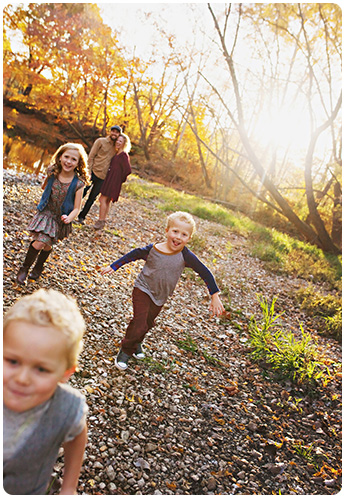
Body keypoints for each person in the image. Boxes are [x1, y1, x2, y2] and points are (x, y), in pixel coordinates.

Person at [100, 211, 225, 370]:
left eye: (184, 234)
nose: (178, 237)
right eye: (175, 231)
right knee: (139, 323)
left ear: (189, 239)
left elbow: (204, 271)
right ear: (167, 231)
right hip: (143, 288)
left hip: (161, 295)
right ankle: (125, 350)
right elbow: (134, 254)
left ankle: (137, 342)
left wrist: (214, 294)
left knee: (148, 323)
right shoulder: (153, 249)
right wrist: (114, 266)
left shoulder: (186, 256)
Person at [3, 288, 88, 495]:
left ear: (66, 373)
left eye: (41, 369)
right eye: (12, 361)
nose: (22, 379)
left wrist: (69, 486)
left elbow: (77, 434)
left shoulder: (67, 408)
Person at [16, 142, 89, 285]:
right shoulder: (53, 172)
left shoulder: (78, 184)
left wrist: (69, 218)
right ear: (60, 156)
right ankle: (24, 269)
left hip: (61, 218)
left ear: (79, 162)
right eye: (66, 157)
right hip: (47, 212)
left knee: (48, 244)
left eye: (73, 159)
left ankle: (39, 266)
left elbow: (77, 208)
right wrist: (48, 178)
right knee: (40, 241)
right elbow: (45, 188)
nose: (69, 161)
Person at [78, 125, 122, 224]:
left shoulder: (116, 147)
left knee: (92, 198)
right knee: (82, 192)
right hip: (93, 172)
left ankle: (82, 216)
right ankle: (71, 211)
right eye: (113, 131)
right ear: (110, 132)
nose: (114, 134)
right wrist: (88, 171)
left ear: (119, 134)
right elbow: (91, 156)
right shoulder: (100, 141)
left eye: (117, 132)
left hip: (103, 177)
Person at [94, 133, 132, 230]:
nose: (118, 142)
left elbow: (128, 170)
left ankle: (101, 221)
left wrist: (119, 179)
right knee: (106, 200)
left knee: (102, 199)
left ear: (124, 144)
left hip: (114, 181)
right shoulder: (116, 153)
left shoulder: (123, 155)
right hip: (110, 179)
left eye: (120, 141)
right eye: (117, 140)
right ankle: (102, 221)